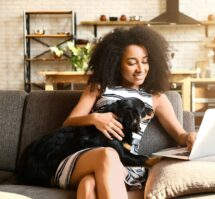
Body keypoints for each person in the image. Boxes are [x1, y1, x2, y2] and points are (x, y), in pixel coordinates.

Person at [54, 26, 197, 199]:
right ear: (117, 63)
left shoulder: (156, 98)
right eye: (131, 62)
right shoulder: (99, 87)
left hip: (123, 163)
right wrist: (95, 118)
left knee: (89, 185)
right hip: (83, 157)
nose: (140, 69)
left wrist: (190, 136)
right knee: (107, 154)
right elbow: (69, 122)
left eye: (145, 61)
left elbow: (180, 135)